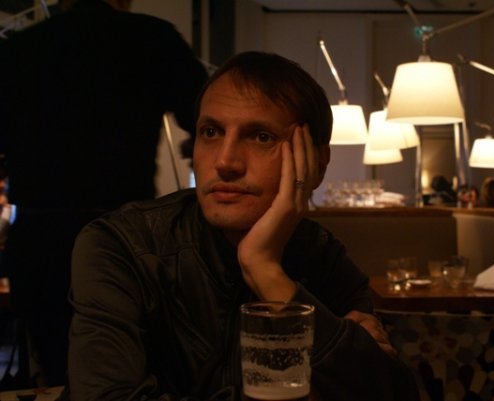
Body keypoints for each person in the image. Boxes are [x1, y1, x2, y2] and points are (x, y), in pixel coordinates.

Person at [66, 51, 419, 401]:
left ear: (316, 162)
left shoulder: (322, 257)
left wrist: (265, 269)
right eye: (211, 132)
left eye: (261, 136)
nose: (225, 161)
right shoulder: (123, 246)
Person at [0, 0, 208, 386]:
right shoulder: (151, 38)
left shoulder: (19, 49)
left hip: (40, 233)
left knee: (58, 369)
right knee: (133, 368)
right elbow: (205, 114)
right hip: (124, 231)